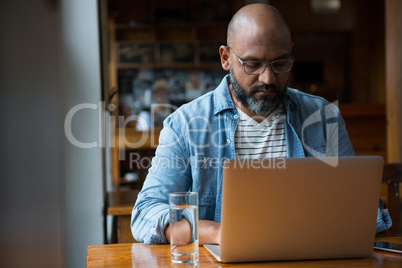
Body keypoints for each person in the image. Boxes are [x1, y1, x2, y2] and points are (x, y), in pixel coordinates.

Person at [131, 3, 391, 245]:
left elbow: (361, 208)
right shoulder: (185, 125)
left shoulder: (323, 117)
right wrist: (217, 232)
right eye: (253, 64)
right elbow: (146, 213)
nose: (268, 78)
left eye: (280, 63)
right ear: (225, 58)